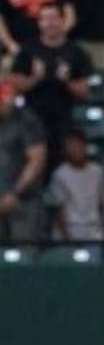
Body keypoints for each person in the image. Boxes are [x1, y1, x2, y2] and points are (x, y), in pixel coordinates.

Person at [10, 0, 91, 172]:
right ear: (39, 23)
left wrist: (67, 81)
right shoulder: (28, 49)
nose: (50, 23)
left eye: (54, 18)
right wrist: (34, 78)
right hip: (33, 119)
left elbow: (84, 91)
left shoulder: (75, 51)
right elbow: (15, 86)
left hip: (65, 119)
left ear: (63, 21)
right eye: (45, 19)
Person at [0, 81, 46, 248]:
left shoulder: (27, 120)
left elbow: (37, 160)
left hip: (23, 202)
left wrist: (14, 193)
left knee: (25, 255)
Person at [47, 127, 104, 248]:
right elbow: (58, 210)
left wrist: (101, 229)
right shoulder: (60, 174)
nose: (75, 150)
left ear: (85, 146)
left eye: (78, 145)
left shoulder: (98, 172)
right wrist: (67, 239)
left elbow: (102, 204)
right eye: (71, 146)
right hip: (69, 231)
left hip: (93, 232)